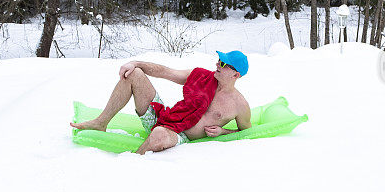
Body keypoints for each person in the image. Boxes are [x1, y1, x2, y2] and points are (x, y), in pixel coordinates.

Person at [71, 50, 252, 154]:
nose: (217, 65)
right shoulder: (201, 76)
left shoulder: (239, 105)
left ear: (236, 74)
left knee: (158, 134)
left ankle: (133, 162)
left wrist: (223, 131)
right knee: (134, 74)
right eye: (218, 60)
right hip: (166, 118)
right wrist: (136, 63)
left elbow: (246, 131)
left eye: (223, 64)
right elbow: (166, 71)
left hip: (179, 136)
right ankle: (100, 122)